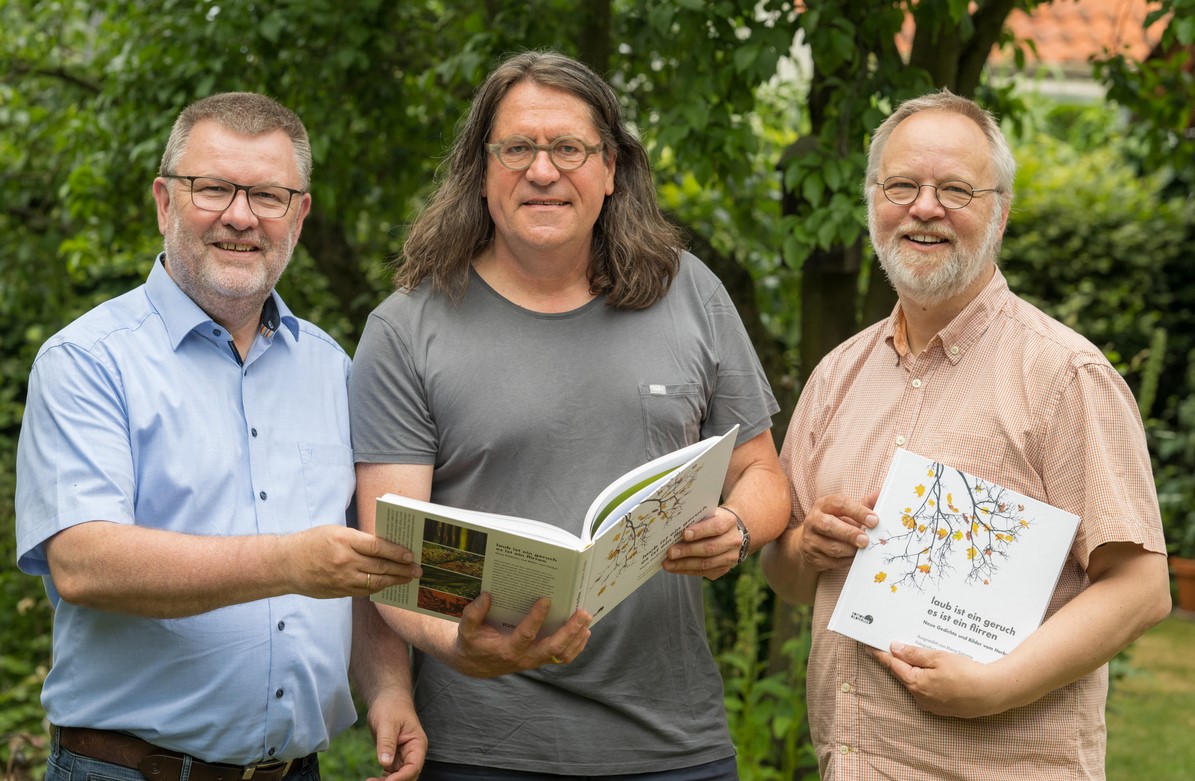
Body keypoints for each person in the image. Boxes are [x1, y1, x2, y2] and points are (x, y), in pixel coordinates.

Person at [350, 51, 791, 780]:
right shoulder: (407, 328)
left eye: (569, 148)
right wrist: (460, 643)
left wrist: (737, 528)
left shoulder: (689, 292)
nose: (543, 171)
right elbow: (391, 551)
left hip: (674, 745)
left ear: (612, 167)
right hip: (482, 747)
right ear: (480, 170)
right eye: (516, 148)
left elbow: (762, 473)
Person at [15, 92, 427, 781]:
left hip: (296, 770)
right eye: (212, 188)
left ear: (299, 214)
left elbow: (361, 565)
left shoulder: (333, 368)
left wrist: (388, 687)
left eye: (268, 194)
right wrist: (288, 562)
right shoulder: (86, 359)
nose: (240, 216)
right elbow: (85, 563)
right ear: (164, 201)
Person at [760, 90, 1172, 780]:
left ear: (999, 214)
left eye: (954, 189)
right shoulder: (837, 375)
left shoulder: (1062, 375)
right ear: (872, 203)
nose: (924, 208)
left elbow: (1139, 587)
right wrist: (807, 544)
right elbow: (788, 577)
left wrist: (998, 684)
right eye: (901, 186)